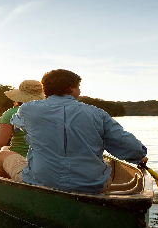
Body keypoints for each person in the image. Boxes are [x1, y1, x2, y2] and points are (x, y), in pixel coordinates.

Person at [8, 69, 148, 194]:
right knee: (105, 163)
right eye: (78, 87)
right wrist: (139, 155)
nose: (79, 91)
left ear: (44, 89)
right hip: (91, 186)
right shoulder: (97, 113)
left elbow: (16, 123)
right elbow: (126, 144)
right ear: (71, 88)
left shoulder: (27, 109)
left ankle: (4, 196)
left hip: (41, 181)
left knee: (3, 152)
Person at [0, 80, 44, 178]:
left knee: (3, 152)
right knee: (5, 148)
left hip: (21, 157)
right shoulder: (51, 112)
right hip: (45, 159)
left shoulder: (11, 113)